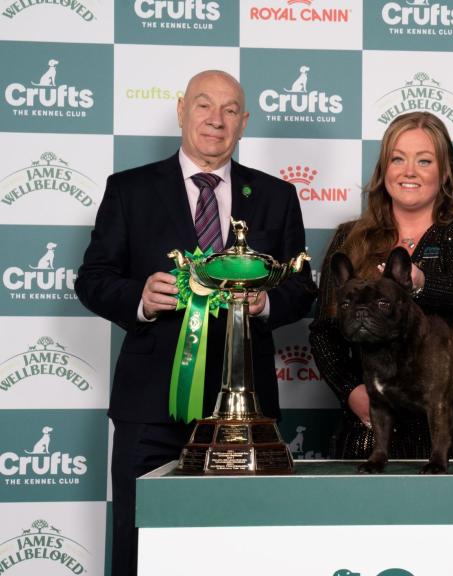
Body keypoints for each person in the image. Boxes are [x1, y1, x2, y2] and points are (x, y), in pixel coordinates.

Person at [75, 70, 315, 576]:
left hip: (246, 413)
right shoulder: (130, 190)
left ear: (244, 122)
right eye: (205, 105)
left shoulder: (275, 196)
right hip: (150, 404)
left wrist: (265, 305)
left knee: (244, 545)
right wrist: (138, 297)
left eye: (230, 110)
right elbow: (93, 279)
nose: (216, 119)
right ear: (182, 110)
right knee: (140, 539)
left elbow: (301, 287)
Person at [309, 111, 453, 459]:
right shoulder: (349, 238)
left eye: (424, 160)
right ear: (384, 171)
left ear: (444, 173)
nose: (409, 170)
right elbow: (324, 330)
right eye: (398, 159)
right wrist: (352, 390)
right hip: (369, 427)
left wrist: (423, 283)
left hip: (452, 431)